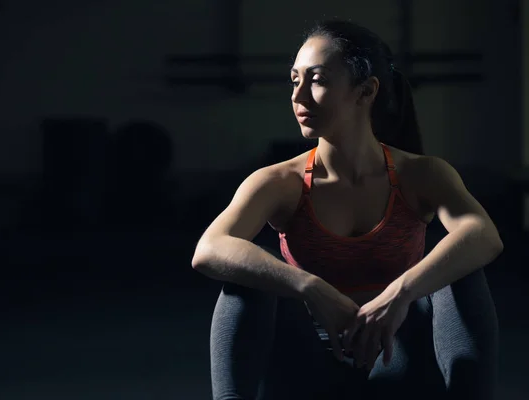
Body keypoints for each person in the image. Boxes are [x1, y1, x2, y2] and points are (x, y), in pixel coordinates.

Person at [191, 19, 502, 400]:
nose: (298, 95)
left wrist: (400, 293)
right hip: (307, 368)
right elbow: (209, 249)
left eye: (317, 80)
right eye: (294, 80)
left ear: (366, 91)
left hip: (396, 359)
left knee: (462, 270)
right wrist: (312, 288)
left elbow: (485, 235)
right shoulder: (279, 182)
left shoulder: (420, 173)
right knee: (245, 276)